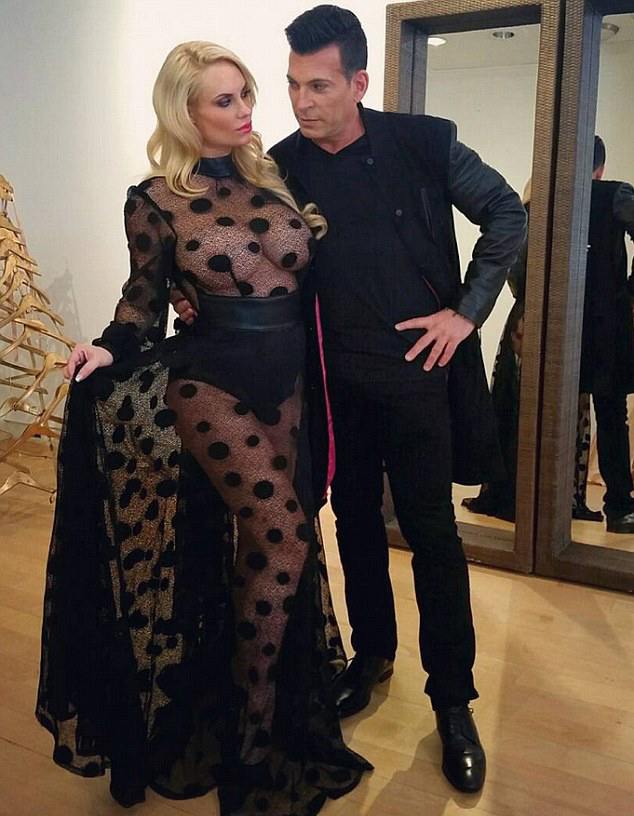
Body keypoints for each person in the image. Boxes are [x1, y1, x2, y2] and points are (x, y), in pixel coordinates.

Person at [175, 6, 526, 795]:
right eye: (294, 85)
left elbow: (508, 212)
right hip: (332, 389)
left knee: (433, 536)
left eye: (320, 86)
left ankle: (454, 702)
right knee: (356, 525)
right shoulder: (281, 167)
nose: (302, 102)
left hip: (420, 380)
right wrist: (192, 295)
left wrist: (467, 313)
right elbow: (235, 248)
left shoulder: (424, 142)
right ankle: (372, 659)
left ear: (359, 82)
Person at [35, 41, 371, 815]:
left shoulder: (274, 179)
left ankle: (243, 705)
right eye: (225, 99)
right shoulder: (155, 199)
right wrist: (108, 346)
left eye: (246, 92)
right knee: (284, 538)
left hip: (290, 385)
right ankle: (251, 741)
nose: (245, 108)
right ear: (184, 112)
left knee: (261, 552)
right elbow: (142, 300)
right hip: (210, 383)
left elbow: (315, 277)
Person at [463, 180, 600, 523]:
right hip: (548, 322)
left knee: (518, 406)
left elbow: (515, 273)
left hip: (527, 318)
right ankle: (541, 498)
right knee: (547, 408)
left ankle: (516, 494)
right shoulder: (565, 220)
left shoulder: (528, 217)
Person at [579, 135, 634, 533]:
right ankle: (619, 507)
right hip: (607, 324)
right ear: (599, 168)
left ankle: (551, 506)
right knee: (611, 414)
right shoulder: (615, 195)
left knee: (550, 414)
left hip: (556, 320)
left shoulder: (544, 198)